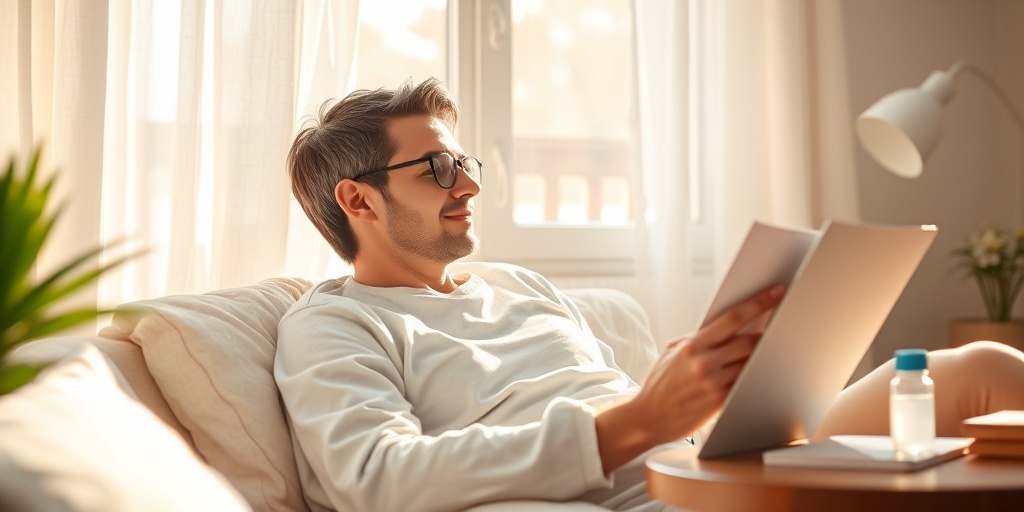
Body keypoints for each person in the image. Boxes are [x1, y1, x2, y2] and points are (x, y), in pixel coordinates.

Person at [276, 77, 1024, 512]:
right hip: (649, 496)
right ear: (360, 201)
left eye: (464, 161)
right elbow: (375, 476)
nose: (469, 183)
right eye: (436, 168)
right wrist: (631, 425)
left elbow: (630, 404)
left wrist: (699, 387)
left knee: (979, 367)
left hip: (702, 456)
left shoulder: (520, 285)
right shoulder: (336, 326)